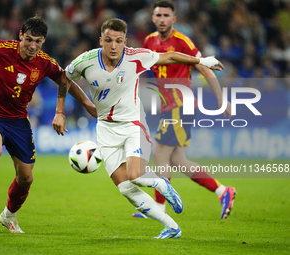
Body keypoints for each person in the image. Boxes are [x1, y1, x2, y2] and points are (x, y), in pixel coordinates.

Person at [52, 18, 224, 239]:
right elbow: (64, 76)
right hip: (105, 129)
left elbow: (170, 56)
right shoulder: (85, 61)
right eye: (108, 40)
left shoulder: (136, 57)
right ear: (100, 40)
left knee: (134, 174)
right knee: (125, 189)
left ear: (125, 41)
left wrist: (202, 60)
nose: (113, 46)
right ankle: (172, 227)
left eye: (118, 41)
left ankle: (162, 183)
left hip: (133, 124)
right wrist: (65, 109)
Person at [0, 16, 96, 233]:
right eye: (29, 39)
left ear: (43, 41)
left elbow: (64, 79)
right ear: (20, 35)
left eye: (38, 41)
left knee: (26, 178)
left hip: (19, 121)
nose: (32, 46)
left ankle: (9, 215)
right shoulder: (0, 49)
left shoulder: (45, 62)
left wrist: (83, 104)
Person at [132, 1, 236, 220]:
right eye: (158, 15)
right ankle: (222, 191)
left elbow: (205, 69)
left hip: (181, 106)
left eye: (166, 15)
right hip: (168, 107)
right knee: (178, 160)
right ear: (153, 18)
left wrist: (221, 100)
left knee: (160, 153)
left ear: (174, 19)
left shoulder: (182, 42)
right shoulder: (149, 41)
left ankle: (159, 209)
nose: (162, 19)